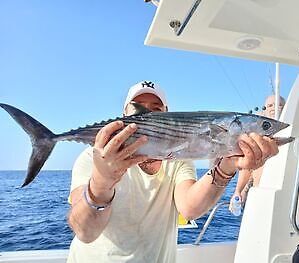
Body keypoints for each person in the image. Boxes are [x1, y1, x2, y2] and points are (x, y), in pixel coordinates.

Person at [67, 81, 280, 263]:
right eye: (139, 108)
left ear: (167, 115)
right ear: (124, 115)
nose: (148, 113)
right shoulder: (92, 160)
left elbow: (189, 208)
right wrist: (102, 182)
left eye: (156, 109)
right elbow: (85, 232)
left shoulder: (177, 159)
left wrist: (225, 167)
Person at [229, 94, 286, 212]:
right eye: (270, 105)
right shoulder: (256, 136)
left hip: (286, 196)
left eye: (279, 105)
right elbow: (248, 166)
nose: (274, 108)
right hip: (260, 195)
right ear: (264, 111)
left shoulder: (295, 131)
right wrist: (240, 191)